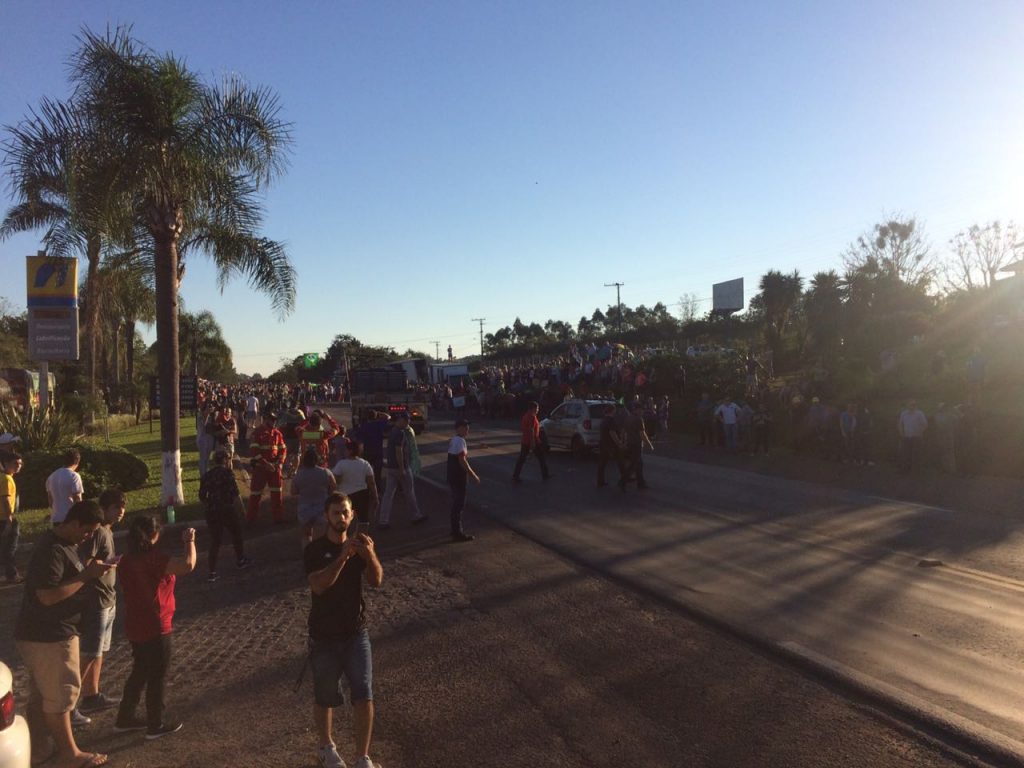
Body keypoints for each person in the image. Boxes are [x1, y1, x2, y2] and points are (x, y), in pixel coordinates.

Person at [14, 499, 115, 768]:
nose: (89, 537)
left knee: (43, 697)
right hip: (50, 636)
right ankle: (70, 754)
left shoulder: (64, 545)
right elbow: (46, 596)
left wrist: (89, 571)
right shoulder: (52, 550)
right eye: (87, 531)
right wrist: (86, 576)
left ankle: (39, 750)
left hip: (44, 633)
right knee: (61, 695)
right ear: (74, 523)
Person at [305, 493, 384, 768]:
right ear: (327, 516)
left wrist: (370, 555)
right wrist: (342, 557)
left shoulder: (358, 547)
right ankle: (326, 748)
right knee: (325, 695)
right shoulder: (315, 550)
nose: (341, 517)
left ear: (352, 516)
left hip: (355, 634)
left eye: (345, 513)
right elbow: (319, 585)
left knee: (364, 693)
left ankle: (363, 757)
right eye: (336, 513)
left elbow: (376, 580)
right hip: (324, 637)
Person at [114, 515, 196, 739]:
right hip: (156, 623)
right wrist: (189, 541)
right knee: (158, 674)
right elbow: (187, 565)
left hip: (135, 622)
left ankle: (125, 716)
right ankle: (155, 723)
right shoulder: (155, 559)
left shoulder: (126, 560)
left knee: (140, 670)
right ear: (154, 535)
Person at [75, 489, 127, 718]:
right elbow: (85, 562)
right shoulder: (97, 532)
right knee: (88, 653)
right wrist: (104, 566)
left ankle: (92, 695)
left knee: (98, 652)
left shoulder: (107, 530)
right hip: (95, 598)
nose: (121, 512)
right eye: (116, 507)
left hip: (108, 597)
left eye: (122, 507)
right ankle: (69, 704)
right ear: (104, 508)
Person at [199, 449, 253, 582]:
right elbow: (235, 494)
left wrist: (210, 504)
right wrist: (243, 511)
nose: (229, 461)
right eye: (228, 459)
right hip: (227, 509)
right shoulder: (227, 474)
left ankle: (212, 572)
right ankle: (240, 560)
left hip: (212, 511)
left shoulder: (207, 475)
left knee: (215, 541)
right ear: (224, 460)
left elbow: (202, 496)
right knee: (236, 534)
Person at [377, 412, 426, 530]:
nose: (408, 424)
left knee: (388, 494)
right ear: (401, 420)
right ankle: (415, 516)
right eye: (407, 421)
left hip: (391, 467)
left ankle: (383, 520)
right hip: (401, 467)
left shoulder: (393, 431)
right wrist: (402, 468)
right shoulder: (400, 433)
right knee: (409, 492)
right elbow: (398, 451)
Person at [248, 411, 287, 524]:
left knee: (277, 494)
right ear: (265, 420)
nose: (274, 422)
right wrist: (266, 464)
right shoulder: (257, 433)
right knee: (255, 494)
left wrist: (280, 463)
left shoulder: (277, 434)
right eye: (272, 420)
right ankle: (250, 519)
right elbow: (254, 451)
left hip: (274, 468)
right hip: (260, 468)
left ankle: (278, 518)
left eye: (275, 420)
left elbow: (283, 449)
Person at [293, 448, 338, 546]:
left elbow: (293, 491)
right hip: (322, 507)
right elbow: (334, 487)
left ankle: (307, 552)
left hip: (304, 508)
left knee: (306, 535)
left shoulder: (299, 474)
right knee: (320, 535)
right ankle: (319, 552)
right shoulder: (326, 472)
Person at [447, 419, 480, 542]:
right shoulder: (460, 441)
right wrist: (473, 475)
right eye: (465, 427)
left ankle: (454, 529)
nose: (467, 430)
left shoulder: (454, 439)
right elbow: (462, 460)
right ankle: (457, 533)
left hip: (452, 475)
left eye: (468, 427)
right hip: (458, 477)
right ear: (459, 428)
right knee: (459, 504)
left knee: (456, 503)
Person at [332, 441, 379, 525]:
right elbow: (371, 482)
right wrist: (375, 496)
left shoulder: (341, 464)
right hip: (362, 494)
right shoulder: (365, 464)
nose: (344, 451)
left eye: (346, 450)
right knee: (363, 519)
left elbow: (335, 481)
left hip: (345, 495)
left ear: (350, 451)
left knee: (345, 519)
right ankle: (363, 532)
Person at [511, 401, 550, 483]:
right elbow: (531, 430)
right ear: (532, 408)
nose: (538, 410)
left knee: (521, 459)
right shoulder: (532, 417)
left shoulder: (526, 416)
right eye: (537, 408)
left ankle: (515, 476)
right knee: (541, 458)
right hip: (532, 440)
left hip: (525, 440)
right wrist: (533, 443)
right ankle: (545, 475)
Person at [0, 449, 23, 583]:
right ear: (6, 463)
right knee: (10, 547)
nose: (18, 466)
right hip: (6, 518)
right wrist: (9, 520)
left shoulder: (4, 478)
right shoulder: (7, 479)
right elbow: (6, 500)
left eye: (20, 464)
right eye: (15, 463)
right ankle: (12, 575)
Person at [46, 448, 84, 524]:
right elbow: (77, 498)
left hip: (56, 518)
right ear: (77, 461)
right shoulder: (74, 476)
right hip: (70, 518)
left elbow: (50, 500)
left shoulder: (51, 476)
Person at [624, 401, 654, 489]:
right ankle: (623, 480)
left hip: (630, 443)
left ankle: (640, 483)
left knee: (638, 464)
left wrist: (624, 441)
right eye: (641, 410)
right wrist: (649, 444)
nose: (642, 412)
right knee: (635, 464)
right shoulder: (639, 420)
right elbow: (642, 434)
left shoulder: (628, 418)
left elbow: (624, 431)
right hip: (636, 444)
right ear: (637, 410)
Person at [596, 404, 626, 489]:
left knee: (602, 463)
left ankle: (600, 481)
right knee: (620, 462)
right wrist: (619, 443)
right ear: (613, 411)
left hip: (603, 443)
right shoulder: (611, 420)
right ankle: (624, 479)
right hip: (611, 445)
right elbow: (612, 433)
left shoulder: (603, 420)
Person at [896, 399, 928, 473]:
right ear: (907, 405)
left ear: (916, 405)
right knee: (906, 454)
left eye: (914, 405)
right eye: (911, 405)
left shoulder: (920, 413)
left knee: (916, 455)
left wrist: (920, 432)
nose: (912, 406)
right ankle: (905, 470)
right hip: (906, 437)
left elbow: (925, 424)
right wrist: (901, 434)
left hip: (917, 437)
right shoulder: (903, 413)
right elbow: (900, 424)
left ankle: (916, 471)